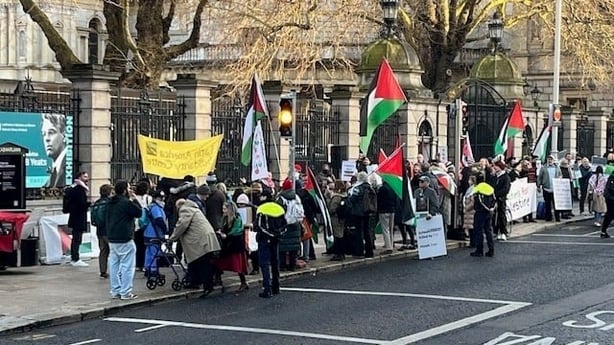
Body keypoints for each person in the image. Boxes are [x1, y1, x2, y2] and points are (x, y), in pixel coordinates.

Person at [170, 198, 221, 298]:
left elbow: (182, 225)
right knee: (200, 262)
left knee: (202, 263)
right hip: (205, 238)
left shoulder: (185, 209)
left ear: (178, 206)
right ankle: (196, 282)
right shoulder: (194, 208)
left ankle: (207, 286)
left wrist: (171, 238)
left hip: (199, 241)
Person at [105, 180, 142, 300]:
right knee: (127, 266)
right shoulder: (126, 203)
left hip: (112, 237)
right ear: (125, 190)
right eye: (129, 188)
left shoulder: (110, 202)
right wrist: (134, 199)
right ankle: (125, 291)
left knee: (114, 264)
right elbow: (139, 212)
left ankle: (115, 290)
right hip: (125, 237)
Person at [254, 201, 288, 298]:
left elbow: (260, 226)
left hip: (264, 240)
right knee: (275, 262)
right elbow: (285, 225)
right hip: (276, 240)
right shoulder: (279, 211)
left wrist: (270, 234)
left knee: (265, 264)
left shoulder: (261, 212)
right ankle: (276, 287)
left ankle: (267, 288)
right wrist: (278, 234)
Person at [215, 202, 249, 292]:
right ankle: (218, 280)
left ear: (230, 209)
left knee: (238, 265)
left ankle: (243, 282)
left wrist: (226, 235)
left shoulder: (237, 218)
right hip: (227, 244)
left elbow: (237, 231)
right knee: (219, 262)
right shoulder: (225, 218)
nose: (223, 211)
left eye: (224, 209)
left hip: (235, 245)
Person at [66, 171, 91, 267]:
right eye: (85, 176)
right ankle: (75, 258)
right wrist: (89, 204)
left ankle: (74, 256)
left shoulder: (74, 187)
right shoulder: (79, 189)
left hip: (75, 216)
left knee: (76, 238)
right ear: (79, 177)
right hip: (78, 217)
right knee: (77, 238)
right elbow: (81, 204)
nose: (87, 178)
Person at [470, 175, 497, 257]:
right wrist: (491, 208)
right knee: (488, 230)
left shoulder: (477, 188)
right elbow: (494, 199)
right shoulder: (489, 188)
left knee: (479, 231)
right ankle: (491, 250)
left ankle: (479, 250)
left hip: (480, 211)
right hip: (489, 212)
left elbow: (478, 201)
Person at [143, 190, 168, 279]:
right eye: (161, 197)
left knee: (149, 251)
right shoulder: (156, 207)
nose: (163, 199)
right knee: (154, 252)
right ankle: (153, 270)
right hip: (154, 233)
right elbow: (159, 220)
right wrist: (165, 229)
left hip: (148, 233)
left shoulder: (152, 206)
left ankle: (148, 268)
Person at [90, 184, 113, 278]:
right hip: (109, 230)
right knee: (114, 251)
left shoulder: (97, 202)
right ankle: (116, 270)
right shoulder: (110, 203)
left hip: (99, 230)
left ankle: (103, 271)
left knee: (103, 251)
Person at [42, 113, 67, 188]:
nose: (46, 139)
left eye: (51, 132)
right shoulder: (51, 176)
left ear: (64, 135)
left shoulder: (68, 167)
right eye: (44, 134)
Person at [537, 155, 563, 222]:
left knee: (556, 204)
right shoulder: (543, 168)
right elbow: (539, 177)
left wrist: (560, 180)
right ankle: (548, 217)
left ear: (553, 160)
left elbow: (560, 175)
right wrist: (538, 186)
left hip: (555, 189)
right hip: (546, 188)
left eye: (551, 159)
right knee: (547, 204)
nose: (550, 160)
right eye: (549, 159)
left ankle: (557, 217)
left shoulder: (557, 168)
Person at [133, 181, 152, 272]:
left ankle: (137, 264)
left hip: (136, 224)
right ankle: (144, 264)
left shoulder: (133, 199)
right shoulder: (149, 198)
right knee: (145, 245)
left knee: (137, 244)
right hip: (146, 224)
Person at [492, 159, 511, 240]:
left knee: (501, 215)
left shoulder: (506, 177)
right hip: (493, 198)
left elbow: (506, 189)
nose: (495, 168)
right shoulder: (495, 176)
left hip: (500, 199)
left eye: (496, 166)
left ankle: (503, 231)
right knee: (493, 216)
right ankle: (495, 231)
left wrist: (497, 194)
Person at [377, 180, 397, 254]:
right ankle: (391, 244)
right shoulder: (392, 188)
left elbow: (379, 200)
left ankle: (388, 247)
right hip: (392, 210)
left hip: (383, 210)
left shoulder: (382, 189)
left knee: (385, 229)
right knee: (391, 229)